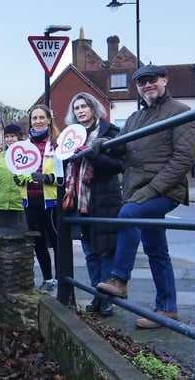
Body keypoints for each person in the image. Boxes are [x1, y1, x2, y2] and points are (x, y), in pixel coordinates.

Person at [96, 64, 195, 328]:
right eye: (141, 83)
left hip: (164, 190)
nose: (146, 86)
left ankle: (119, 278)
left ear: (165, 80)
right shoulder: (134, 119)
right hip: (138, 189)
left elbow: (184, 157)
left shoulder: (181, 112)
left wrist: (152, 190)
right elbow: (120, 148)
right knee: (156, 250)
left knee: (128, 213)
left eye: (151, 80)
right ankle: (167, 309)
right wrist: (101, 145)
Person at [63, 93, 123, 316]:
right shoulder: (71, 137)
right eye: (76, 108)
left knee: (106, 251)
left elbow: (118, 166)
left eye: (84, 106)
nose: (80, 111)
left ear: (93, 108)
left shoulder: (111, 133)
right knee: (89, 252)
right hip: (80, 200)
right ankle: (97, 295)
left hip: (103, 199)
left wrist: (92, 155)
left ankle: (105, 298)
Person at [20, 105, 61, 291]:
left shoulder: (57, 142)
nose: (37, 121)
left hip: (50, 200)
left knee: (57, 240)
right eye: (34, 118)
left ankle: (62, 280)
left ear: (49, 119)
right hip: (29, 199)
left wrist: (49, 179)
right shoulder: (25, 145)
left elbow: (65, 172)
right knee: (37, 241)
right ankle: (48, 278)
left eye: (41, 117)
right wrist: (18, 178)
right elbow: (19, 168)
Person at [0, 124, 29, 232]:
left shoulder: (28, 156)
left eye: (12, 136)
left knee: (20, 245)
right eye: (6, 137)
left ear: (19, 137)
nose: (9, 139)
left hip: (19, 207)